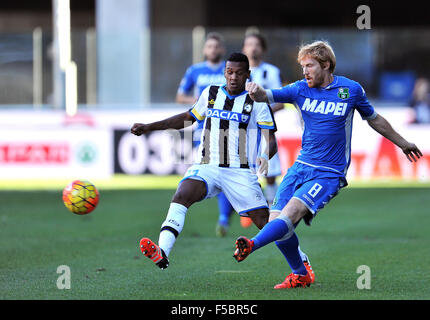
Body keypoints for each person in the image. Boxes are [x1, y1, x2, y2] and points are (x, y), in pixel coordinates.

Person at [233, 41, 423, 289]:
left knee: (290, 214)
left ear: (326, 65)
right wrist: (255, 90)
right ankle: (301, 274)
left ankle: (252, 244)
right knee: (278, 225)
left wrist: (403, 142)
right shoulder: (299, 89)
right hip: (300, 167)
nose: (305, 71)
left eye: (309, 65)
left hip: (329, 173)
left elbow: (374, 119)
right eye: (302, 66)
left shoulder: (351, 90)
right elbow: (266, 96)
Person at [131, 53, 282, 270]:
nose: (233, 77)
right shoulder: (210, 93)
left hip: (239, 172)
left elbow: (271, 140)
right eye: (229, 72)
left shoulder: (256, 101)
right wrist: (149, 126)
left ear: (247, 75)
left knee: (266, 224)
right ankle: (163, 251)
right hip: (207, 166)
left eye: (239, 73)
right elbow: (187, 118)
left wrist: (264, 155)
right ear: (224, 73)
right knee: (182, 194)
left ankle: (301, 262)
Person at [216, 32, 286, 232]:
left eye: (256, 44)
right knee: (237, 170)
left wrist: (258, 113)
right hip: (239, 132)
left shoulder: (271, 72)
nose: (252, 48)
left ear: (262, 49)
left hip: (263, 129)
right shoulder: (235, 72)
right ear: (244, 48)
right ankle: (244, 210)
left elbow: (279, 101)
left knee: (270, 171)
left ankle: (273, 210)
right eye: (249, 44)